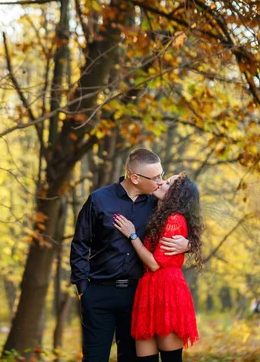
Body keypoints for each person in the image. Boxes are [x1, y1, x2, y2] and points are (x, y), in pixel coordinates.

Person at [70, 149, 190, 362]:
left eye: (161, 175)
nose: (160, 182)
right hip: (99, 293)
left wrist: (189, 244)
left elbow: (189, 221)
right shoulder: (99, 200)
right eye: (155, 178)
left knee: (131, 358)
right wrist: (83, 289)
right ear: (134, 178)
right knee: (94, 358)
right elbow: (80, 244)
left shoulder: (157, 205)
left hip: (137, 295)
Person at [114, 173, 203, 362]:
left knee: (171, 359)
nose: (161, 182)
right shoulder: (158, 212)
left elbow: (154, 264)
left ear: (176, 195)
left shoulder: (175, 220)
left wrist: (132, 236)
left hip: (167, 290)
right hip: (148, 289)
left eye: (168, 183)